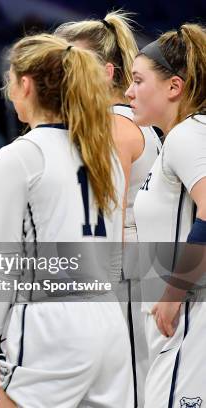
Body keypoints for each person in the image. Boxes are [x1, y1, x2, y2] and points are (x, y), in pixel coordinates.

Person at [0, 34, 132, 407]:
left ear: (25, 84)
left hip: (52, 321)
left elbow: (4, 259)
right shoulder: (104, 152)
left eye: (10, 80)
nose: (8, 89)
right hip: (109, 320)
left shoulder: (20, 155)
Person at [55, 11, 161, 407]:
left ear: (106, 72)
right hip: (124, 272)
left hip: (126, 276)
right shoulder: (112, 123)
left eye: (72, 65)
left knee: (130, 388)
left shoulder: (116, 128)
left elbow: (108, 224)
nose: (62, 76)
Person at [127, 24, 206, 408]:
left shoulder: (188, 134)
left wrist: (174, 293)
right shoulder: (177, 139)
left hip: (189, 318)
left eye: (139, 81)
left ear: (174, 87)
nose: (128, 92)